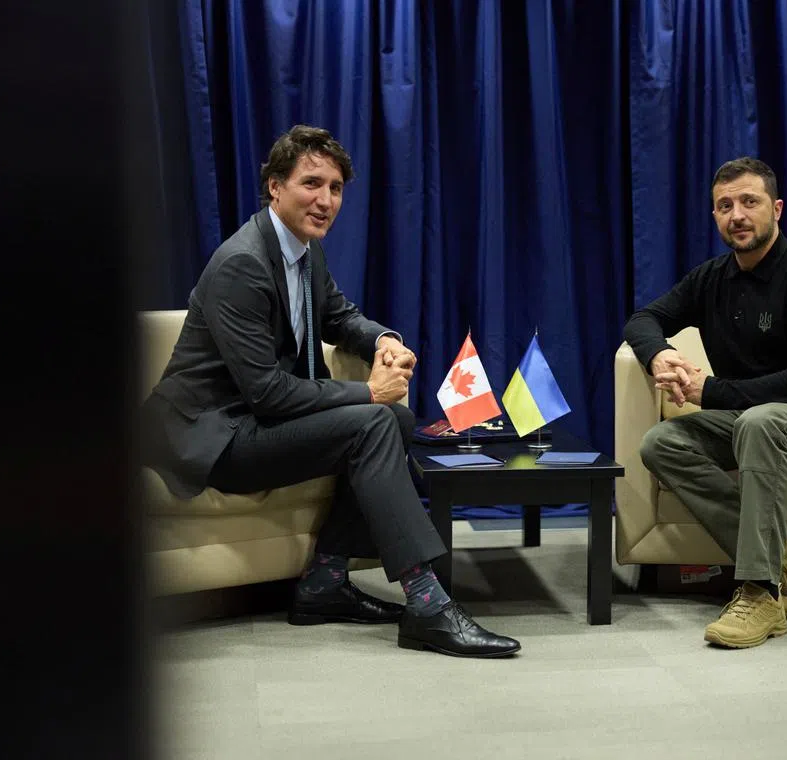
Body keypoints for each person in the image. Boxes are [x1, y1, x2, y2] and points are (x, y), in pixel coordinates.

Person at [141, 125, 520, 658]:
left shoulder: (303, 251)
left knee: (398, 420)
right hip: (213, 436)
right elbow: (268, 394)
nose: (325, 200)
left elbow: (340, 317)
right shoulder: (242, 264)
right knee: (376, 420)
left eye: (336, 188)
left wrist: (384, 340)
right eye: (311, 183)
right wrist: (369, 392)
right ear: (275, 187)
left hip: (252, 421)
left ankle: (324, 581)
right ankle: (428, 603)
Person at [624, 157, 787, 649]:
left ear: (776, 209)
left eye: (749, 202)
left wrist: (710, 392)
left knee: (759, 423)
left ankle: (759, 592)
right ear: (715, 216)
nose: (737, 215)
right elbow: (642, 319)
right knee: (661, 443)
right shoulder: (711, 278)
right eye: (724, 206)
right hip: (748, 419)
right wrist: (659, 353)